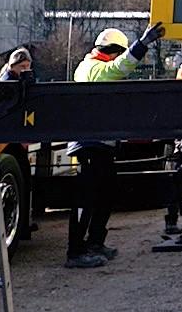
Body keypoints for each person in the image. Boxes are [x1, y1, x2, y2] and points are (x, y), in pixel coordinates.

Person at [65, 22, 165, 269]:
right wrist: (142, 44)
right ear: (113, 51)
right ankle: (76, 251)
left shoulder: (95, 66)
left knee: (105, 195)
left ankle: (95, 242)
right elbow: (118, 69)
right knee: (88, 197)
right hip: (89, 144)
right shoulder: (92, 68)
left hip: (99, 143)